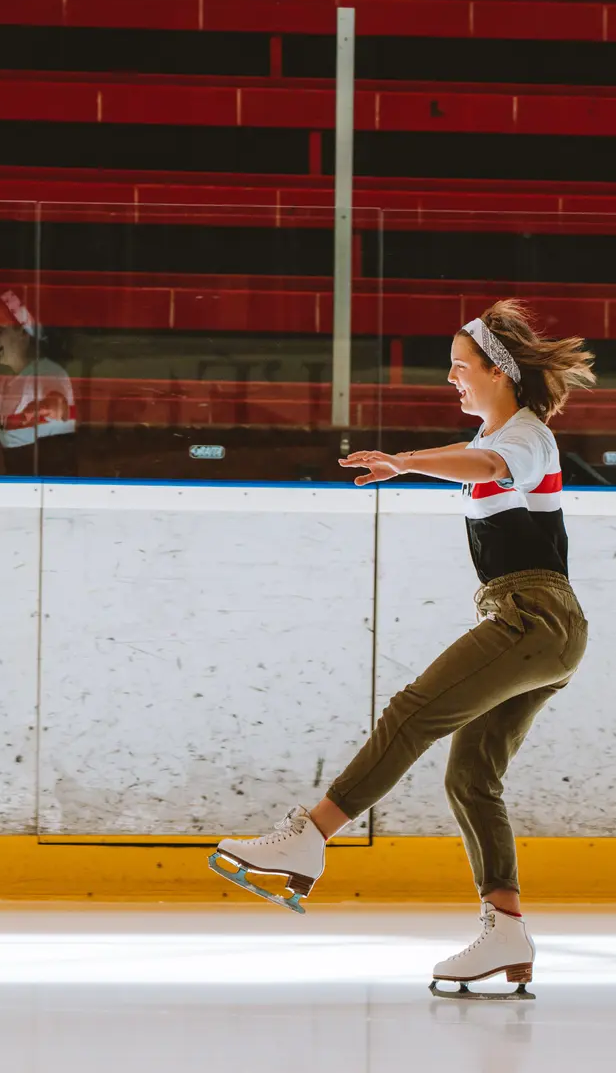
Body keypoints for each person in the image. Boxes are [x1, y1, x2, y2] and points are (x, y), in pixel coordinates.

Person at [210, 299, 595, 1001]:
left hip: (534, 617)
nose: (450, 377)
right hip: (539, 624)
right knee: (471, 775)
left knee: (413, 711)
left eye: (459, 365)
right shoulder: (500, 434)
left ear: (498, 372)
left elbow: (487, 461)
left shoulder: (526, 438)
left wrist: (407, 461)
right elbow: (479, 458)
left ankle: (309, 836)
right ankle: (505, 927)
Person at [0, 290, 78, 477]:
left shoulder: (47, 372)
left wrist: (49, 407)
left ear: (22, 331)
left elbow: (58, 403)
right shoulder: (13, 383)